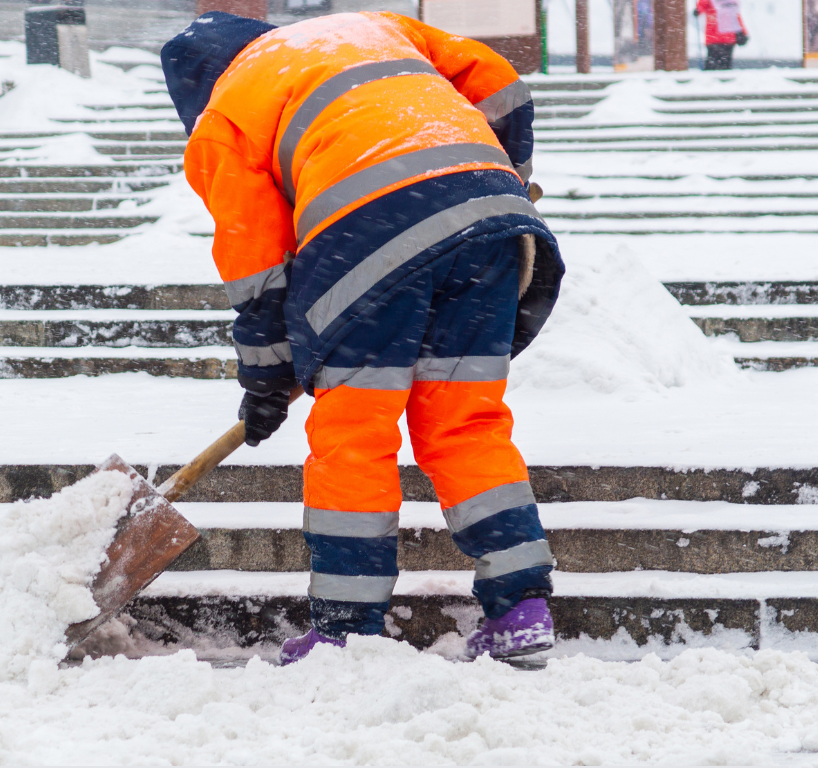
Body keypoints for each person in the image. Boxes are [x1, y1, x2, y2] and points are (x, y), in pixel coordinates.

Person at [161, 10, 564, 665]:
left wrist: (265, 379)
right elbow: (501, 86)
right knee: (467, 424)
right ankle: (521, 607)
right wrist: (506, 174)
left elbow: (257, 265)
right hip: (494, 225)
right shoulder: (372, 27)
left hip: (367, 236)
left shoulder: (224, 117)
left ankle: (347, 631)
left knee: (356, 433)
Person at [694, 0, 749, 70]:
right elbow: (736, 17)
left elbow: (735, 16)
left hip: (723, 38)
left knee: (718, 65)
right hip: (718, 38)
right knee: (717, 65)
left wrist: (741, 32)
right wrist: (742, 31)